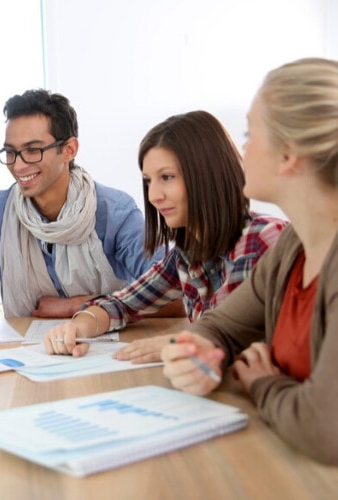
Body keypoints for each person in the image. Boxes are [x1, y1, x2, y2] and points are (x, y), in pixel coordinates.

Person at [161, 58, 338, 499]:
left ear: (289, 155)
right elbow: (220, 326)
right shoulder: (296, 244)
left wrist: (262, 384)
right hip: (296, 470)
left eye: (250, 134)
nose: (241, 150)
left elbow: (332, 431)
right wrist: (199, 352)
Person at [45, 110, 287, 360]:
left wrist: (178, 343)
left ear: (206, 174)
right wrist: (78, 328)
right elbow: (123, 303)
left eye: (167, 177)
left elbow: (231, 338)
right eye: (149, 181)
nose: (153, 196)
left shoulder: (260, 239)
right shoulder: (188, 253)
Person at [0, 89, 163, 336]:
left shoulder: (115, 211)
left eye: (33, 150)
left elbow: (170, 293)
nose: (18, 165)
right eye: (10, 152)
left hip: (111, 350)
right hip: (31, 357)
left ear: (69, 149)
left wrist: (74, 305)